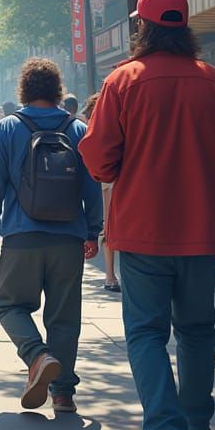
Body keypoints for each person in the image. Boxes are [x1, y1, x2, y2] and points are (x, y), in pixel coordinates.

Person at [79, 0, 215, 430]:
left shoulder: (123, 81)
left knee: (146, 333)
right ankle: (197, 423)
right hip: (203, 230)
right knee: (198, 330)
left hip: (142, 230)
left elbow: (98, 158)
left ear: (142, 27)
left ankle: (165, 428)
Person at [0, 57, 102, 415]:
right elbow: (92, 186)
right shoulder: (77, 129)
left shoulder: (7, 128)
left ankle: (37, 356)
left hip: (22, 237)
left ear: (24, 89)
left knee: (10, 306)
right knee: (64, 318)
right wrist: (93, 231)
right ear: (58, 89)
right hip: (69, 240)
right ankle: (63, 395)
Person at [82, 93, 120, 293]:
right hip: (110, 179)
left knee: (109, 226)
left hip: (110, 178)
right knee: (109, 228)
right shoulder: (99, 124)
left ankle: (111, 275)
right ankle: (110, 275)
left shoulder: (100, 124)